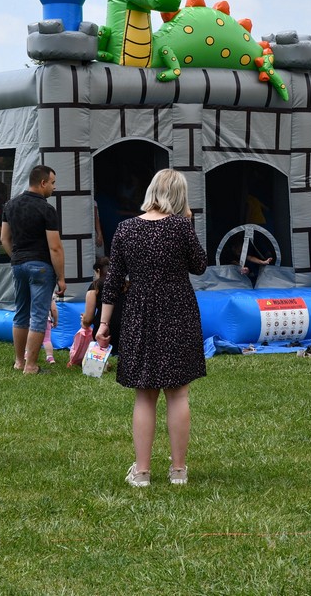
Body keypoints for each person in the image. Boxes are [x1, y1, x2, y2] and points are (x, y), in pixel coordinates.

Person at [96, 169, 206, 487]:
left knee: (145, 395)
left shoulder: (126, 229)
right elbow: (200, 264)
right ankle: (179, 470)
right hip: (178, 310)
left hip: (139, 312)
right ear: (180, 197)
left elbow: (113, 282)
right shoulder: (180, 227)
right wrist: (188, 222)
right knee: (178, 392)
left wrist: (103, 324)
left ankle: (142, 471)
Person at [0, 165, 66, 375]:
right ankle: (31, 366)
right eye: (53, 183)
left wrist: (18, 258)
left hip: (18, 265)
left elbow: (4, 238)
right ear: (43, 183)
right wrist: (62, 278)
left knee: (21, 313)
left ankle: (19, 361)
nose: (54, 188)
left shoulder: (10, 205)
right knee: (38, 315)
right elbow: (55, 247)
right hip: (41, 267)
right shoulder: (47, 209)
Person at [37, 291, 59, 365]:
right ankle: (50, 357)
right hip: (46, 320)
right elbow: (54, 309)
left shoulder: (31, 292)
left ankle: (27, 354)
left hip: (32, 319)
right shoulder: (49, 294)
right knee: (46, 340)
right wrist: (55, 321)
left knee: (30, 338)